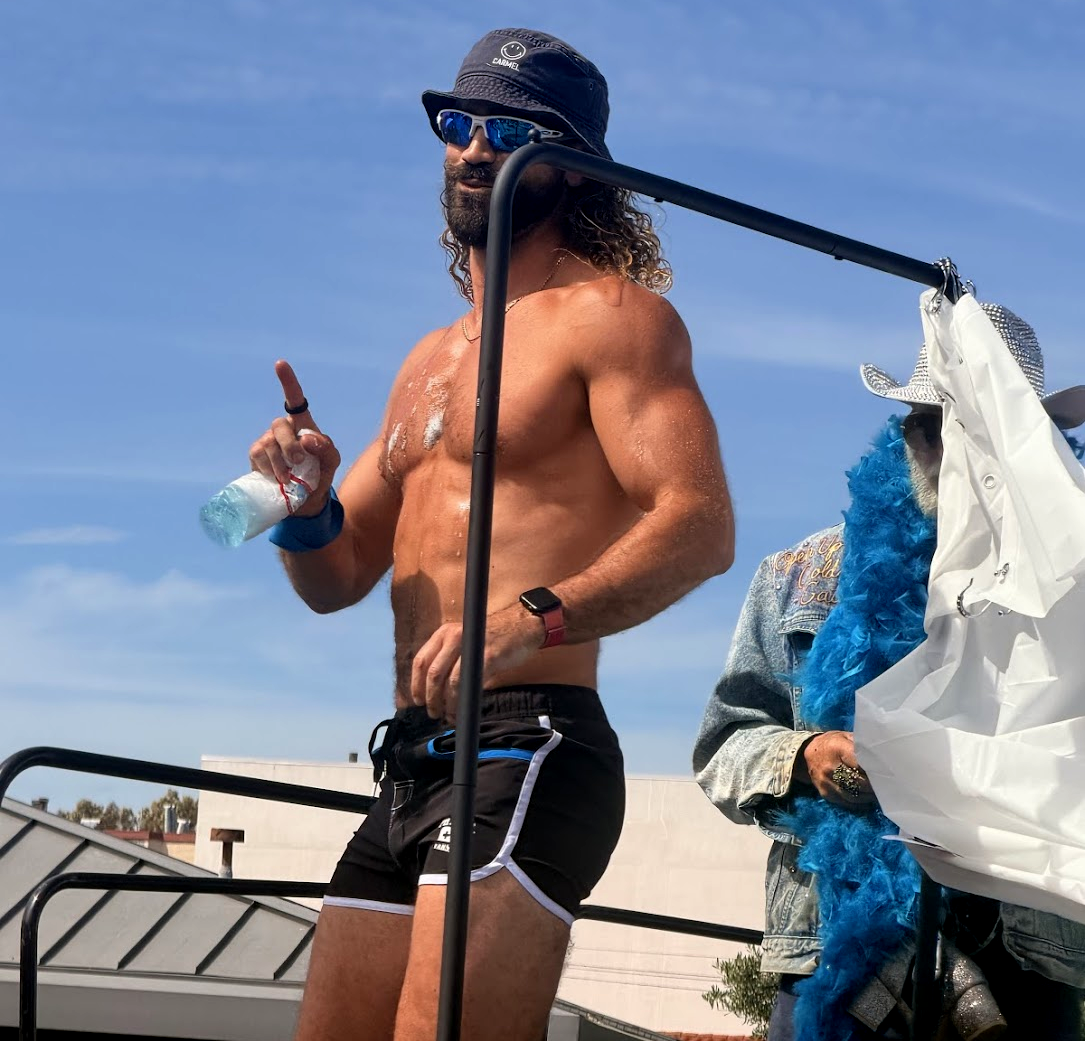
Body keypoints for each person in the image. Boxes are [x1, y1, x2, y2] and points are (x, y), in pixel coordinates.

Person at [244, 28, 734, 1041]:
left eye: (509, 132)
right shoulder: (426, 360)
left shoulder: (613, 317)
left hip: (530, 744)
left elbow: (699, 524)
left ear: (573, 165)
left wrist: (530, 617)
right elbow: (338, 578)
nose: (474, 148)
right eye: (458, 123)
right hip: (409, 760)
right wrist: (303, 510)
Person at [693, 302, 1085, 1041]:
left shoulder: (1075, 591)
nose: (955, 451)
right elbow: (723, 746)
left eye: (985, 432)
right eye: (936, 427)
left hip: (1025, 957)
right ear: (906, 432)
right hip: (839, 951)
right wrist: (807, 757)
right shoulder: (799, 575)